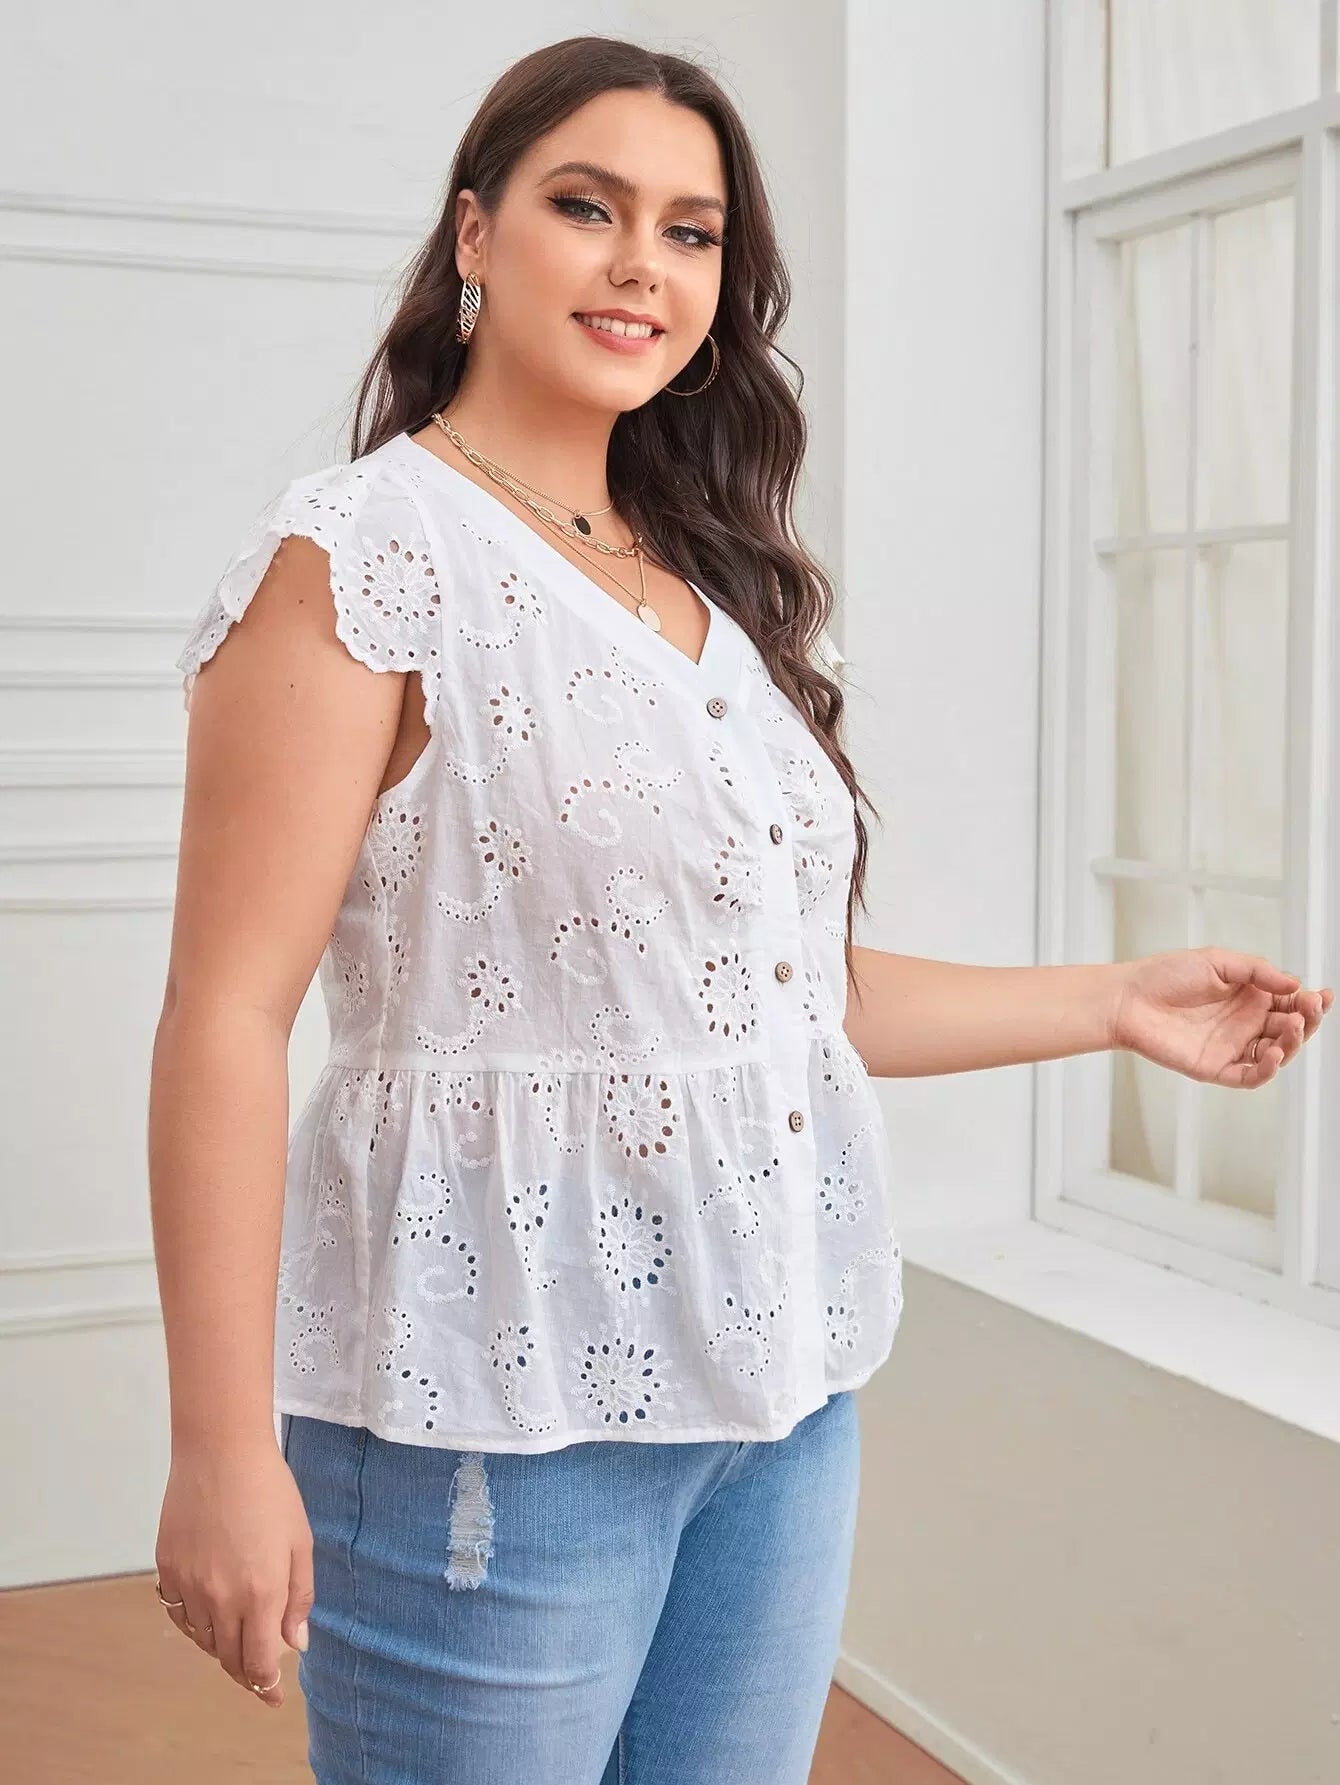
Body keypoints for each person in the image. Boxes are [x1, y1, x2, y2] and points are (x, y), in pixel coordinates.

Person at [146, 34, 1333, 1785]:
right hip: (491, 1418)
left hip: (778, 1401)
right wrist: (217, 1446)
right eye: (587, 206)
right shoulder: (366, 555)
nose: (642, 262)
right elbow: (226, 1014)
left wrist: (1113, 1000)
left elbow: (774, 1002)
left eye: (690, 231)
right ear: (474, 236)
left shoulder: (701, 577)